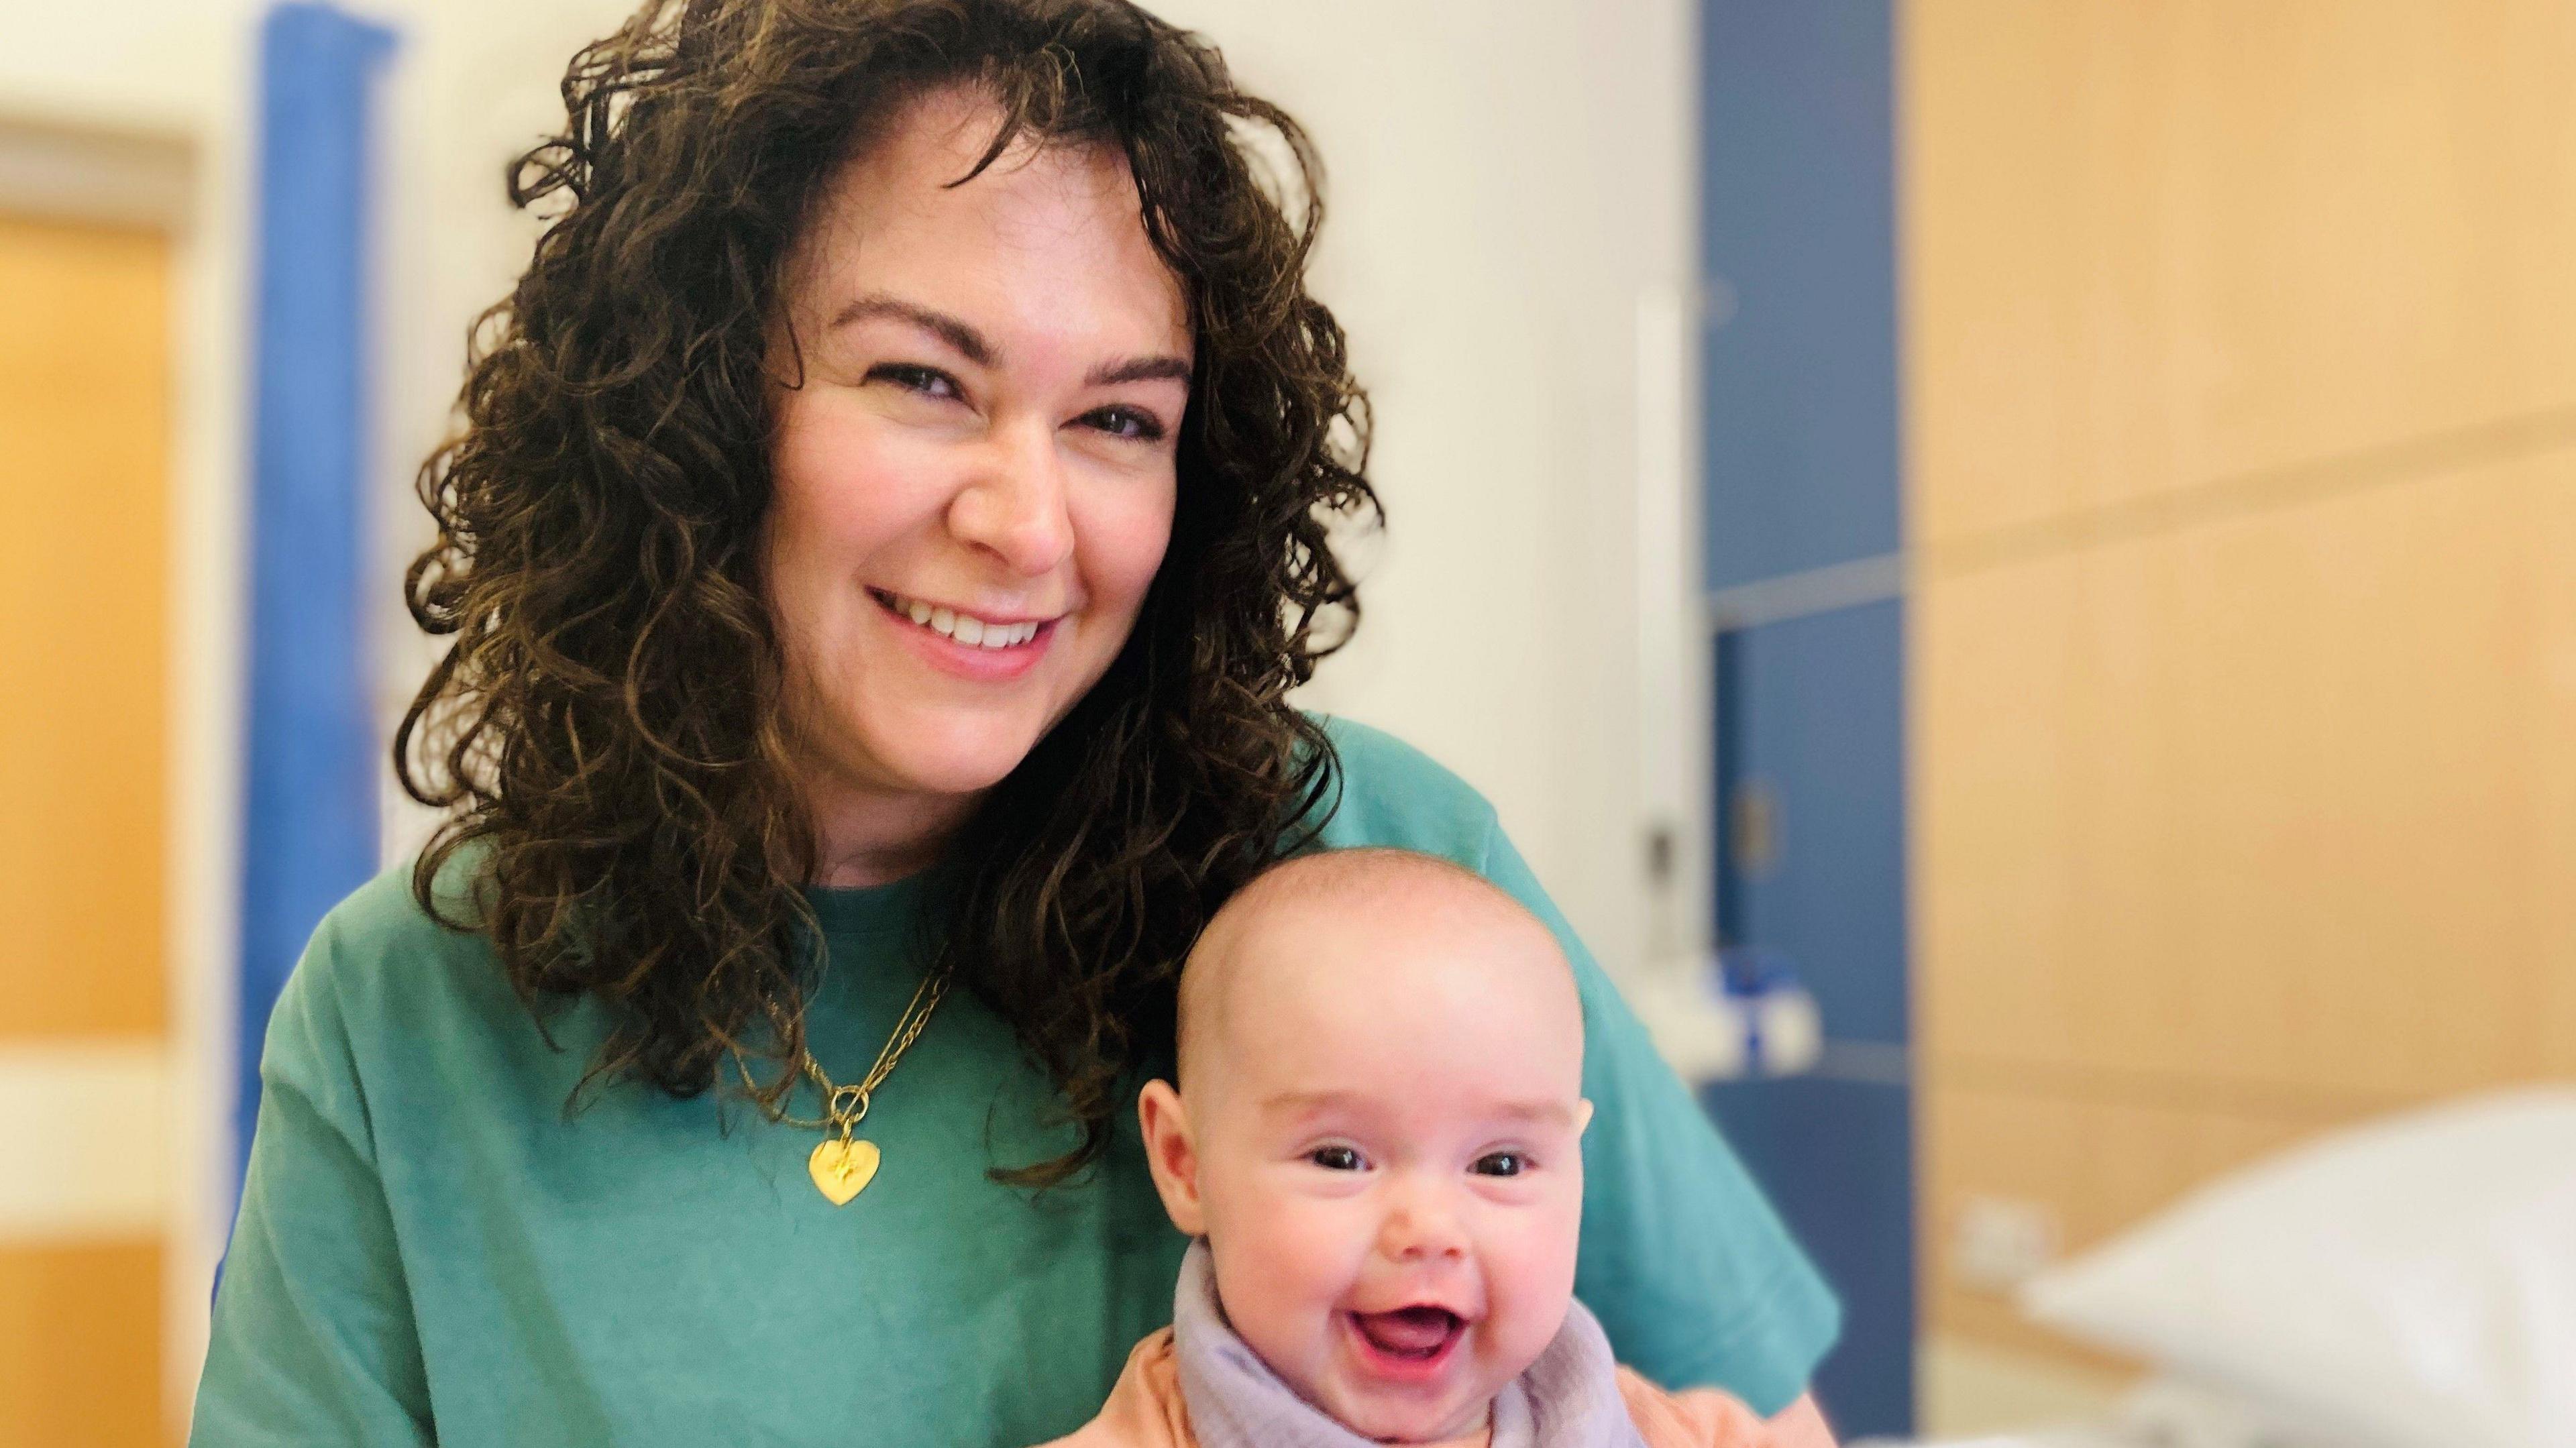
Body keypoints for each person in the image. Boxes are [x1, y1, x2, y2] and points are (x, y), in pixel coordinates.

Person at [189, 3, 1841, 1445]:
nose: (1029, 521)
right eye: (922, 379)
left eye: (1119, 417)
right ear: (686, 408)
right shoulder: (410, 1013)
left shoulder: (1374, 870)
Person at [1049, 848, 1780, 1448]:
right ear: (1185, 1162)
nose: (1429, 1229)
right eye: (1340, 1158)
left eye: (1499, 1163)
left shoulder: (1658, 1430)